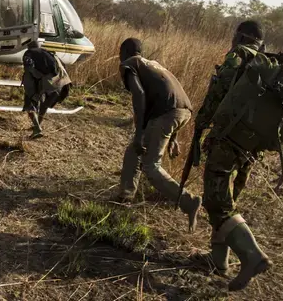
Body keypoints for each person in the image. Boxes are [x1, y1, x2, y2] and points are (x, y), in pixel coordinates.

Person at [196, 20, 272, 291]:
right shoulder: (266, 63)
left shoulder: (238, 57)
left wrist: (200, 125)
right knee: (225, 197)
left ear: (238, 37)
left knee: (217, 201)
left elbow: (216, 95)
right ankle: (219, 261)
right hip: (250, 147)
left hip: (228, 142)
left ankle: (252, 257)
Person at [117, 37, 202, 232]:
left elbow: (139, 95)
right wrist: (173, 136)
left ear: (123, 51)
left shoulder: (129, 64)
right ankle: (125, 196)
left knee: (150, 166)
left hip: (166, 113)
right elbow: (167, 93)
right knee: (133, 152)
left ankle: (188, 202)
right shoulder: (154, 64)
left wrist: (139, 133)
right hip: (183, 111)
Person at [21, 41, 71, 139]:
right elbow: (63, 67)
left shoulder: (29, 53)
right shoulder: (51, 54)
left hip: (46, 83)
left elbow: (30, 70)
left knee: (29, 105)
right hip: (60, 83)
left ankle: (37, 129)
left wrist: (35, 90)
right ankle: (37, 125)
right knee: (44, 106)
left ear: (29, 47)